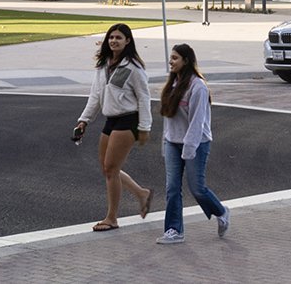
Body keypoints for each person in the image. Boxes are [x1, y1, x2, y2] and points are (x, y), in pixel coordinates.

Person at [70, 22, 153, 231]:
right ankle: (141, 193)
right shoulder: (103, 65)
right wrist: (84, 120)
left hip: (128, 119)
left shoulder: (133, 68)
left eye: (119, 37)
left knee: (111, 169)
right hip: (111, 119)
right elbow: (95, 96)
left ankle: (112, 218)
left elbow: (144, 98)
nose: (114, 41)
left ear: (128, 41)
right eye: (111, 37)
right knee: (107, 168)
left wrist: (145, 127)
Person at [155, 43, 229, 244]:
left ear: (186, 61)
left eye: (175, 58)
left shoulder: (198, 87)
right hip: (173, 142)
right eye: (171, 58)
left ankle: (221, 212)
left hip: (197, 143)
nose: (171, 61)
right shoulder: (171, 85)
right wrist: (165, 142)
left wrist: (188, 151)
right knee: (172, 187)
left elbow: (197, 122)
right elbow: (168, 119)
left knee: (197, 188)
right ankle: (174, 230)